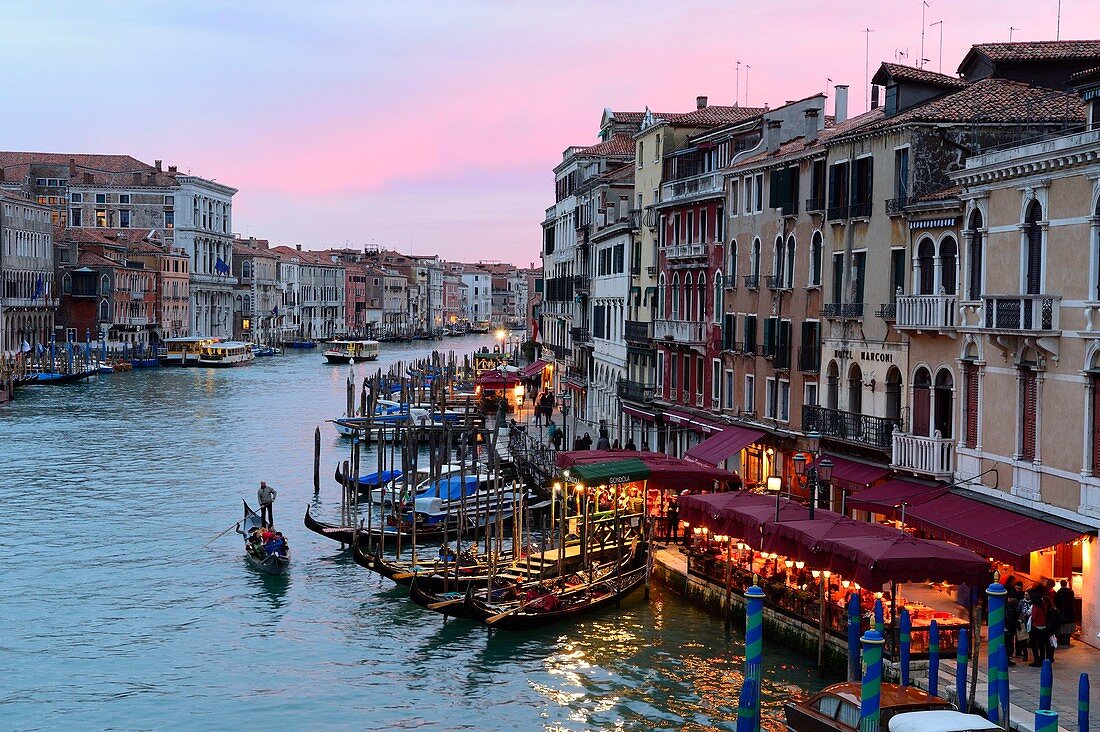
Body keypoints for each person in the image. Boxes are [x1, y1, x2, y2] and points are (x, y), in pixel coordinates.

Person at [1028, 586, 1055, 666]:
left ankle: (1036, 660)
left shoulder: (1035, 607)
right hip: (1043, 627)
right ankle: (1042, 658)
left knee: (1034, 645)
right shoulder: (1043, 606)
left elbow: (1034, 617)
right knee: (1042, 644)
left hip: (1036, 627)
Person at [1055, 579, 1076, 645]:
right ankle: (1067, 641)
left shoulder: (1058, 592)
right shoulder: (1071, 591)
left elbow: (1057, 603)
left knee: (1062, 629)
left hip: (1062, 613)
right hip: (1070, 613)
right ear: (1066, 584)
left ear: (1061, 584)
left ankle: (1061, 641)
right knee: (1069, 629)